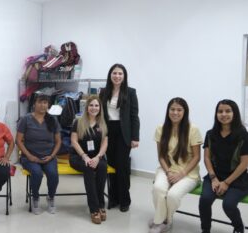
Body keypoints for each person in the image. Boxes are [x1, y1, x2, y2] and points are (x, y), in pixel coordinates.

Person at [149, 98, 202, 233]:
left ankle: (164, 220)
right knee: (158, 188)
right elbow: (161, 156)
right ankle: (163, 221)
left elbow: (197, 157)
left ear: (185, 112)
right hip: (167, 168)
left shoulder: (193, 130)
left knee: (172, 195)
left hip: (188, 173)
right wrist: (168, 172)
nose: (175, 113)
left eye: (179, 110)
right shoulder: (160, 129)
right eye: (172, 109)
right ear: (168, 111)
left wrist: (181, 174)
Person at [199, 99, 248, 233]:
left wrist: (226, 183)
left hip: (237, 179)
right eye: (220, 111)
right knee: (205, 200)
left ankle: (239, 228)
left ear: (234, 113)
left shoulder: (243, 134)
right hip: (215, 176)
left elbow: (245, 163)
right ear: (216, 114)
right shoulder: (210, 134)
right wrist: (213, 178)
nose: (224, 114)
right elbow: (207, 158)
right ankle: (205, 229)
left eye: (228, 111)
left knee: (229, 205)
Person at [99, 63, 140, 212]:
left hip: (124, 133)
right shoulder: (103, 92)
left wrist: (135, 137)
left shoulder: (130, 92)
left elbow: (134, 116)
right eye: (114, 73)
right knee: (111, 167)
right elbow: (100, 114)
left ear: (124, 76)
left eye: (120, 74)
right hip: (108, 132)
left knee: (122, 167)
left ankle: (124, 200)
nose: (117, 76)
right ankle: (113, 198)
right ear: (110, 75)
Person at [16, 94, 62, 215]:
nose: (43, 105)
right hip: (29, 157)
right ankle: (35, 197)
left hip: (49, 156)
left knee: (53, 174)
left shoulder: (53, 119)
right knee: (36, 173)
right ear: (34, 104)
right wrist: (29, 156)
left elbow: (58, 141)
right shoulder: (25, 119)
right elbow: (18, 140)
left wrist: (52, 156)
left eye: (45, 103)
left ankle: (51, 197)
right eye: (40, 102)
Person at [69, 95, 108, 224]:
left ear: (100, 108)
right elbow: (74, 141)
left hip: (96, 156)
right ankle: (94, 208)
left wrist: (98, 157)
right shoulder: (78, 122)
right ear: (87, 107)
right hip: (78, 156)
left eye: (96, 105)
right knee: (89, 168)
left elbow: (104, 144)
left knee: (102, 166)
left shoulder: (102, 123)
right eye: (91, 105)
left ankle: (101, 204)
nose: (94, 108)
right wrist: (84, 156)